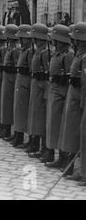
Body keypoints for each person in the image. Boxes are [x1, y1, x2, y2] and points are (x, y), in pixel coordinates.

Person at [58, 22, 86, 179]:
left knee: (82, 134)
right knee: (70, 130)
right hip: (73, 95)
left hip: (80, 96)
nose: (73, 42)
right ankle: (75, 168)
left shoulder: (84, 57)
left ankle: (83, 172)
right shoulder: (78, 55)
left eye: (76, 39)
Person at [45, 24, 74, 168]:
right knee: (54, 124)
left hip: (62, 92)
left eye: (55, 40)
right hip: (54, 90)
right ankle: (59, 156)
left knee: (63, 126)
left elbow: (70, 76)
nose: (53, 43)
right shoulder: (56, 54)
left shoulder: (68, 55)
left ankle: (64, 157)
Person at [27, 23, 51, 158]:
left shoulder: (46, 53)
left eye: (35, 38)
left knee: (42, 116)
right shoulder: (37, 51)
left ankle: (44, 147)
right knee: (36, 115)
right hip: (36, 83)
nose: (34, 41)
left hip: (43, 85)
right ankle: (37, 144)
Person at [12, 24, 34, 147]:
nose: (20, 40)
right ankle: (18, 134)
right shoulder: (23, 51)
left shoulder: (30, 52)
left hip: (26, 83)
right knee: (18, 110)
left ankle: (21, 136)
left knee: (23, 111)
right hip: (20, 81)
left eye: (23, 38)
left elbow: (32, 70)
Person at [0, 24, 20, 140]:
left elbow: (17, 65)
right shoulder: (9, 49)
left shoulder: (16, 50)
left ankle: (10, 131)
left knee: (9, 105)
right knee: (5, 104)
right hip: (7, 77)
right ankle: (5, 128)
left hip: (12, 79)